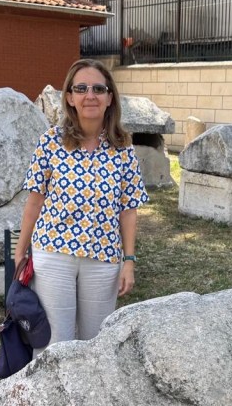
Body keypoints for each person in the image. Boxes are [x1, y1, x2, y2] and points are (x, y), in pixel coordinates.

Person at [14, 59, 148, 346]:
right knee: (53, 342)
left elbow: (128, 210)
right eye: (81, 88)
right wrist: (20, 251)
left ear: (109, 98)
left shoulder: (123, 149)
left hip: (103, 257)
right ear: (69, 97)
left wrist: (129, 261)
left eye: (99, 89)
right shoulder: (50, 142)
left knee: (96, 342)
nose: (90, 95)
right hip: (53, 252)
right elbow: (34, 202)